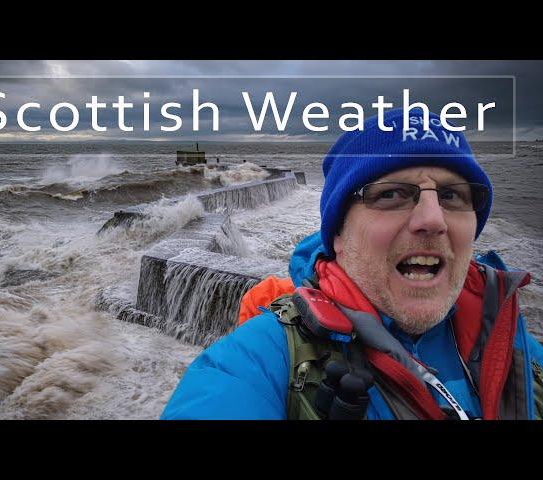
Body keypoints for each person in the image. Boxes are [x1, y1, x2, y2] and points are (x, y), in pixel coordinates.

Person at [160, 108, 543, 420]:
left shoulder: (520, 347)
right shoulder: (261, 360)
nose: (433, 219)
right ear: (337, 235)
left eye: (452, 195)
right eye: (391, 193)